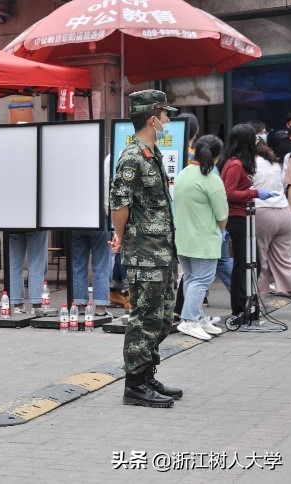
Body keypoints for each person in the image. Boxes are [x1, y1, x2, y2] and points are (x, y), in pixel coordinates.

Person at [110, 89, 182, 409]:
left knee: (163, 317)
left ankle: (147, 372)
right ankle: (135, 384)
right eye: (165, 115)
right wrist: (121, 237)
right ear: (152, 118)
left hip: (163, 250)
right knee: (144, 317)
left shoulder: (151, 155)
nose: (168, 120)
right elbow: (119, 203)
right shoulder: (132, 157)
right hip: (145, 252)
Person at [219, 124, 276, 323]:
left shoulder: (239, 162)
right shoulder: (234, 164)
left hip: (245, 217)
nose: (257, 142)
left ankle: (247, 306)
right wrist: (255, 193)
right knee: (245, 265)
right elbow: (228, 193)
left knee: (250, 264)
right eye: (254, 138)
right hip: (237, 218)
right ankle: (240, 308)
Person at [174, 135, 229, 341]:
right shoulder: (211, 179)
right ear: (217, 156)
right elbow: (222, 215)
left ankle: (196, 316)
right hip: (204, 239)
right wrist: (220, 232)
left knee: (189, 277)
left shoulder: (184, 173)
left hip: (183, 237)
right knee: (202, 279)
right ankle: (189, 320)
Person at [250, 123, 291, 299]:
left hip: (263, 212)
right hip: (283, 211)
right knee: (285, 260)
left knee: (260, 260)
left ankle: (257, 300)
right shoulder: (274, 162)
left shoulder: (250, 164)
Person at [72, 153, 111, 316]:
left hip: (75, 218)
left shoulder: (72, 170)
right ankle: (100, 308)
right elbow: (107, 193)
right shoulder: (102, 165)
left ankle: (80, 305)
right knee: (101, 264)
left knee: (78, 263)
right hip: (99, 216)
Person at [8, 230, 49, 314]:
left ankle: (18, 306)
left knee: (14, 265)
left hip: (13, 225)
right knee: (36, 264)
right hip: (35, 224)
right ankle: (36, 306)